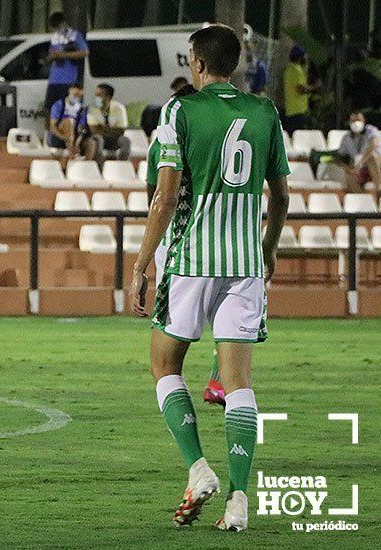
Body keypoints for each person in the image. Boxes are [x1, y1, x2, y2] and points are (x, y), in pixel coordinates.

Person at [130, 25, 290, 532]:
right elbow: (280, 196)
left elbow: (165, 196)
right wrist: (267, 248)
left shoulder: (181, 111)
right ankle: (240, 500)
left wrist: (140, 264)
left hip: (193, 261)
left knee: (164, 365)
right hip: (244, 265)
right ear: (236, 63)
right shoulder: (265, 113)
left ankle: (199, 469)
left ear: (196, 62)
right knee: (238, 384)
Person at [143, 82, 225, 406]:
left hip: (177, 240)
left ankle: (177, 382)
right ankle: (219, 380)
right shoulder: (217, 139)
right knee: (227, 315)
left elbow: (158, 195)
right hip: (221, 238)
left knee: (171, 325)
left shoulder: (164, 140)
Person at [44, 11, 88, 115]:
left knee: (68, 110)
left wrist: (64, 55)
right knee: (48, 109)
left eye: (58, 25)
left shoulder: (75, 35)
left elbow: (85, 52)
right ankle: (50, 131)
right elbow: (51, 54)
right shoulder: (54, 37)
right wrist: (51, 57)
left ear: (63, 22)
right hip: (54, 80)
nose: (58, 28)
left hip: (69, 80)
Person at [336, 111, 381, 200]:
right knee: (349, 173)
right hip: (359, 169)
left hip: (375, 166)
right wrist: (348, 168)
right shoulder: (347, 138)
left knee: (372, 158)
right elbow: (339, 157)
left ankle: (378, 190)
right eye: (353, 121)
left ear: (363, 121)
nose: (356, 123)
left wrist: (362, 161)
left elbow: (373, 145)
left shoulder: (371, 131)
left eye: (358, 120)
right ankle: (360, 200)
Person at [85, 83, 130, 162]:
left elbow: (121, 130)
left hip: (115, 139)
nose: (97, 98)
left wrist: (102, 128)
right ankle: (98, 166)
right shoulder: (92, 109)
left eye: (99, 95)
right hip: (98, 138)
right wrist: (112, 129)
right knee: (98, 140)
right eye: (96, 95)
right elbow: (94, 130)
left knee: (125, 141)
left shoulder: (119, 108)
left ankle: (121, 165)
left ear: (108, 96)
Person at [282, 45, 315, 134]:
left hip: (290, 110)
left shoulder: (288, 69)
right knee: (300, 136)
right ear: (300, 57)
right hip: (299, 110)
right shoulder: (297, 70)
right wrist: (314, 88)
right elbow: (301, 89)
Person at [48, 82, 86, 156]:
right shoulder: (58, 105)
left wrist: (78, 141)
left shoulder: (82, 108)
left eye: (79, 96)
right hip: (59, 135)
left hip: (74, 137)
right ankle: (71, 148)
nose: (77, 97)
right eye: (75, 95)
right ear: (70, 92)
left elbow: (81, 127)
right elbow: (53, 126)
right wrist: (65, 138)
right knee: (70, 121)